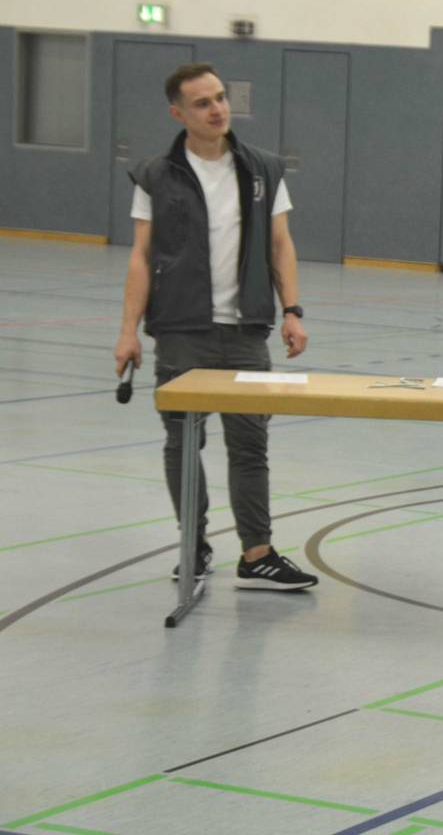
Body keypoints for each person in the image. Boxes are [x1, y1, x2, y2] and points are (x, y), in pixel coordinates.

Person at [112, 63, 319, 592]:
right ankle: (194, 546)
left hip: (247, 332)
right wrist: (128, 331)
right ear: (177, 112)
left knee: (250, 445)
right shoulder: (155, 175)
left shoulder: (263, 169)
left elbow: (280, 244)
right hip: (181, 332)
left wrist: (292, 310)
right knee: (183, 443)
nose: (217, 109)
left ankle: (257, 554)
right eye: (202, 102)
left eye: (221, 97)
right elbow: (141, 257)